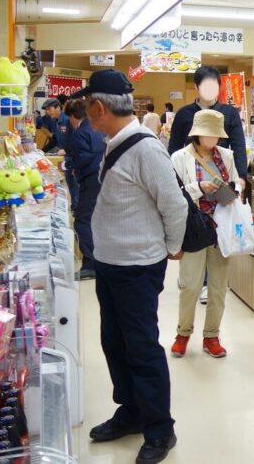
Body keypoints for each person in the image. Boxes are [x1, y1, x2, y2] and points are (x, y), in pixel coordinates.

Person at [72, 69, 187, 464]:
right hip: (110, 264)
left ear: (99, 108)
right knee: (114, 343)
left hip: (137, 267)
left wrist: (172, 248)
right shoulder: (113, 142)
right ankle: (132, 411)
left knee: (140, 347)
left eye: (88, 107)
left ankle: (160, 428)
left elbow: (174, 205)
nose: (87, 113)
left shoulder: (146, 149)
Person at [169, 110, 239, 360]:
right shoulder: (180, 158)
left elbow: (237, 182)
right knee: (190, 285)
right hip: (194, 227)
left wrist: (231, 191)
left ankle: (212, 336)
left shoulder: (226, 156)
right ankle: (182, 333)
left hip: (221, 226)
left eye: (217, 135)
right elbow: (174, 193)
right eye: (209, 134)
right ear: (198, 133)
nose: (214, 140)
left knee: (219, 287)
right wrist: (199, 188)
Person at [168, 66, 247, 196]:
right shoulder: (184, 114)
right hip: (191, 172)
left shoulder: (230, 112)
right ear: (196, 86)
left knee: (225, 205)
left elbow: (238, 145)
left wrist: (241, 177)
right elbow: (174, 147)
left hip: (222, 170)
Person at [64, 99, 106, 280]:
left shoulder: (80, 133)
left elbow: (82, 159)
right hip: (104, 178)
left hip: (90, 180)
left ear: (74, 117)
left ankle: (90, 263)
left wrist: (68, 165)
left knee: (82, 220)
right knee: (96, 219)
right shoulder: (98, 128)